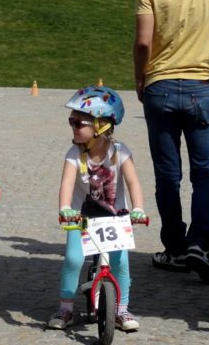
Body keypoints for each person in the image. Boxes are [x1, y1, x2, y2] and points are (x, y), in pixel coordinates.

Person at [133, 0, 209, 284]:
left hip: (160, 86)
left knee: (167, 175)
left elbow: (142, 42)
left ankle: (175, 249)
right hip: (203, 87)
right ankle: (199, 245)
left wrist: (141, 77)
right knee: (204, 174)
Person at [47, 86, 146, 332]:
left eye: (78, 122)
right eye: (71, 121)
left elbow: (133, 182)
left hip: (115, 218)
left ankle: (121, 309)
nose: (72, 126)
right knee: (72, 259)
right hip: (82, 218)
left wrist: (139, 209)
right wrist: (65, 208)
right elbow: (67, 184)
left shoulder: (120, 152)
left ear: (101, 125)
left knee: (120, 262)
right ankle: (66, 308)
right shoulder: (74, 154)